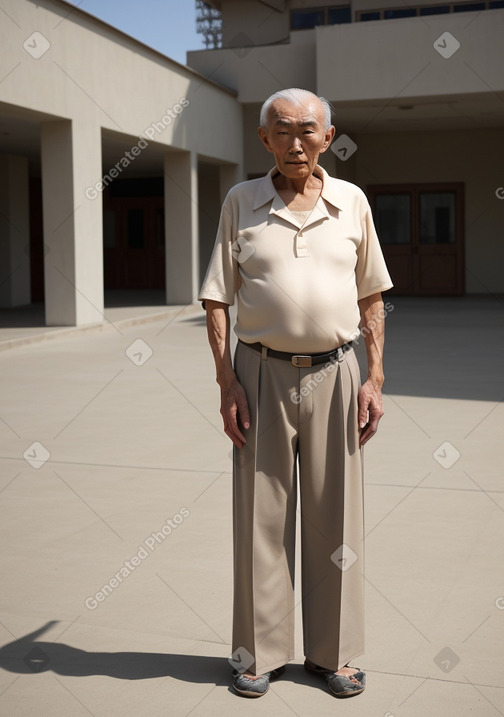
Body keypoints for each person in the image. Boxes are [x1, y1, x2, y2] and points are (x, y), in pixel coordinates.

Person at [198, 88, 393, 699]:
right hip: (259, 375)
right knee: (262, 518)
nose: (294, 142)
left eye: (307, 130)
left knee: (338, 519)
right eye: (280, 131)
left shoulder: (352, 202)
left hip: (337, 373)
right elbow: (216, 297)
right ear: (264, 140)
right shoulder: (241, 202)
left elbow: (371, 297)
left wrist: (375, 376)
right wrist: (227, 381)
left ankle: (334, 654)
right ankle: (259, 653)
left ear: (328, 137)